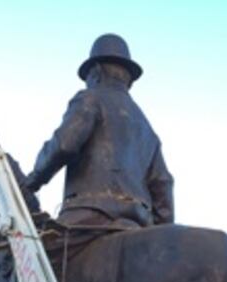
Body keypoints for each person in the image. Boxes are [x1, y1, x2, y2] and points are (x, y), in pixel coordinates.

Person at [24, 33, 174, 230]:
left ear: (95, 71)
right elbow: (163, 183)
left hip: (89, 215)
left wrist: (32, 181)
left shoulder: (90, 98)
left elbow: (63, 145)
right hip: (137, 222)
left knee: (29, 252)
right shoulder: (146, 127)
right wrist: (156, 233)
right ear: (128, 78)